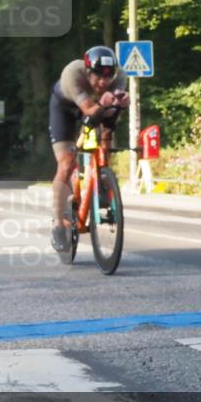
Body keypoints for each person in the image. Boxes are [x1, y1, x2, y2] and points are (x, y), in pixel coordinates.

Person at [49, 46, 130, 252]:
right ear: (87, 71)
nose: (103, 82)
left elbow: (110, 114)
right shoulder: (73, 73)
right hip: (66, 109)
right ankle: (58, 224)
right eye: (98, 76)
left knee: (106, 138)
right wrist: (105, 104)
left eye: (108, 77)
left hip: (99, 107)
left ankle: (102, 184)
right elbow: (90, 111)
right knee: (66, 163)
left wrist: (120, 105)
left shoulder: (120, 75)